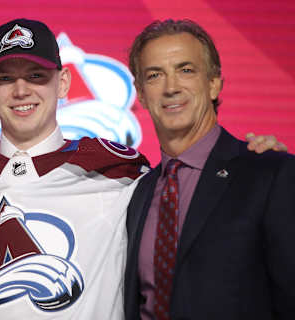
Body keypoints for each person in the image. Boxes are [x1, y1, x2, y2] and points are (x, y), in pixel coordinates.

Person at [0, 18, 284, 320]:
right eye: (6, 78)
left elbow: (202, 182)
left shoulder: (119, 170)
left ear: (64, 83)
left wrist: (254, 158)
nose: (21, 91)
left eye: (37, 76)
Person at [123, 19, 295, 320]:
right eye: (154, 75)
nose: (171, 87)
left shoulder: (271, 174)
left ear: (214, 83)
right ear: (140, 93)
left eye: (185, 70)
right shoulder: (138, 193)